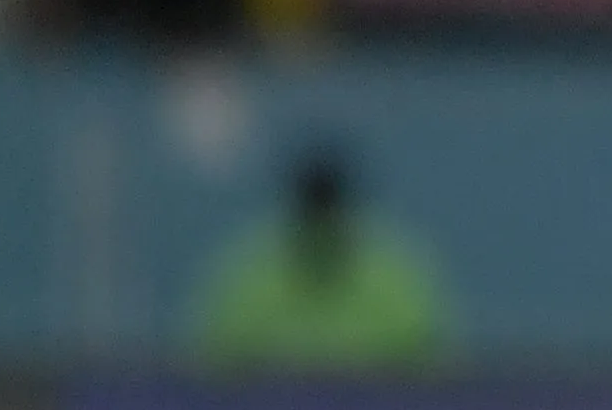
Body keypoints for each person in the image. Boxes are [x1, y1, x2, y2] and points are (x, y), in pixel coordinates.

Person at [191, 150, 453, 373]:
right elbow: (212, 381)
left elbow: (436, 382)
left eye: (329, 208)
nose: (322, 222)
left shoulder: (397, 282)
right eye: (314, 209)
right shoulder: (249, 280)